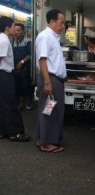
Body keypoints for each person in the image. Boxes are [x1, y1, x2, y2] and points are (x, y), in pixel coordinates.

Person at [35, 9, 67, 153]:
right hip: (50, 79)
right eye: (61, 23)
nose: (63, 26)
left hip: (55, 79)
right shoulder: (45, 36)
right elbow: (42, 60)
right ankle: (47, 144)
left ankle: (42, 139)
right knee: (50, 111)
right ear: (52, 22)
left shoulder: (53, 37)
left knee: (49, 110)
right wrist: (47, 82)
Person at [0, 16, 30, 141]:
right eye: (13, 26)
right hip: (4, 74)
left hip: (4, 74)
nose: (15, 28)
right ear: (7, 28)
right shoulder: (4, 40)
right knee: (11, 104)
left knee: (3, 104)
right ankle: (16, 132)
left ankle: (3, 131)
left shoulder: (3, 38)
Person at [12, 23, 33, 110]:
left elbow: (30, 55)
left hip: (25, 67)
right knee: (18, 86)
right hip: (15, 67)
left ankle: (29, 102)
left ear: (22, 31)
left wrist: (22, 61)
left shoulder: (28, 41)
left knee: (26, 85)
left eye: (18, 30)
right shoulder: (12, 41)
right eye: (15, 30)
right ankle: (21, 103)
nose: (16, 32)